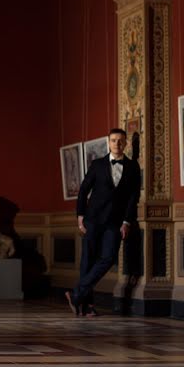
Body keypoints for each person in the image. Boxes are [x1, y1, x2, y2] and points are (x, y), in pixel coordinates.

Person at [65, 128, 140, 317]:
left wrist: (127, 222)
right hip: (93, 220)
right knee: (88, 261)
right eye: (114, 140)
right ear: (109, 143)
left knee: (107, 258)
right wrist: (80, 215)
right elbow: (83, 190)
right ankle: (86, 305)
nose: (117, 144)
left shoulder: (132, 167)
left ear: (126, 143)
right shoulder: (97, 164)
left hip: (115, 222)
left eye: (121, 140)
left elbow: (133, 197)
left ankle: (76, 295)